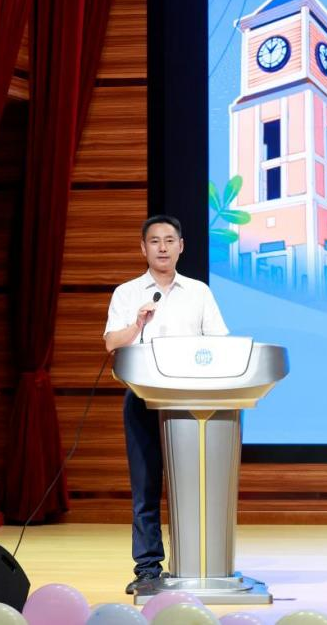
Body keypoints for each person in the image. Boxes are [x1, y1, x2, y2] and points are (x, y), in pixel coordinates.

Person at [103, 214, 229, 594]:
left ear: (181, 246)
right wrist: (137, 325)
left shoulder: (199, 292)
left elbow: (220, 342)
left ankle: (193, 564)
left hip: (190, 402)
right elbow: (111, 343)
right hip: (142, 399)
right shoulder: (127, 293)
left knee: (190, 487)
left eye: (169, 240)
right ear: (143, 248)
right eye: (155, 241)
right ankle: (147, 569)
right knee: (145, 488)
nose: (162, 247)